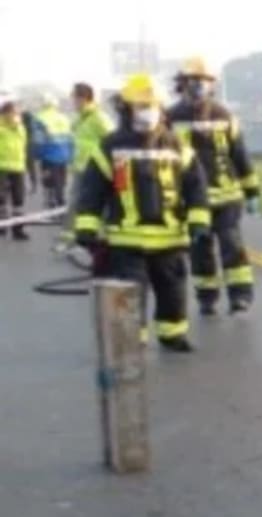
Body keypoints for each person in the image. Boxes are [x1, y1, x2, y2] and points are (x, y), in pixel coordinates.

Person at [74, 74, 210, 352]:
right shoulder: (111, 147)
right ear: (126, 108)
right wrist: (86, 227)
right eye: (140, 105)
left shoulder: (176, 146)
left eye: (152, 105)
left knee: (173, 291)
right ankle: (132, 339)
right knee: (130, 294)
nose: (147, 112)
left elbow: (196, 187)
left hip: (170, 240)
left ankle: (173, 334)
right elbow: (92, 190)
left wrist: (198, 221)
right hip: (126, 242)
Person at [166, 57, 261, 315]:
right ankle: (207, 297)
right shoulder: (170, 118)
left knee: (232, 246)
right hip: (191, 200)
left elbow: (239, 153)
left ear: (211, 85)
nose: (198, 87)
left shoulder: (224, 115)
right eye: (193, 82)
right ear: (182, 85)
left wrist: (251, 190)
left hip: (227, 196)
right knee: (200, 250)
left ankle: (240, 296)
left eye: (204, 82)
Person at [64, 82, 114, 240]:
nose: (72, 102)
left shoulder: (99, 117)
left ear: (84, 98)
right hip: (80, 167)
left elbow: (111, 140)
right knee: (75, 202)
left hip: (95, 169)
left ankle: (103, 237)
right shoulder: (80, 118)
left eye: (74, 98)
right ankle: (72, 236)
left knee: (97, 203)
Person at [31, 93, 73, 209]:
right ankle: (61, 205)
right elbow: (71, 138)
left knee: (48, 183)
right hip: (64, 155)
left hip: (48, 155)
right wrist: (71, 155)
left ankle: (51, 205)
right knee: (61, 182)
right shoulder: (64, 118)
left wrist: (36, 154)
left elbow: (38, 140)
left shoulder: (39, 118)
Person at [0, 93, 32, 241]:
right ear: (4, 113)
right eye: (11, 113)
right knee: (1, 199)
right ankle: (2, 226)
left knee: (18, 201)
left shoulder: (21, 128)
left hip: (18, 167)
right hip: (2, 167)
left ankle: (18, 229)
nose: (14, 116)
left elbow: (24, 145)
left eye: (16, 113)